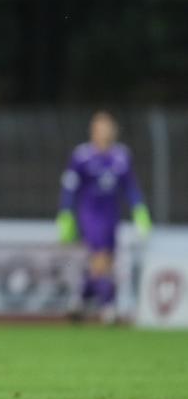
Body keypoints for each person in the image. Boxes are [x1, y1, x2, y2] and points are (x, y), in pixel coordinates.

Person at [57, 111, 152, 323]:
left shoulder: (121, 155)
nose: (104, 132)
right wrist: (65, 213)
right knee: (100, 257)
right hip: (89, 212)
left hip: (111, 214)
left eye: (108, 128)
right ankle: (108, 305)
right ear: (93, 131)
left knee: (107, 260)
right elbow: (70, 186)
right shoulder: (81, 155)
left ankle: (79, 300)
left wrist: (139, 211)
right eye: (100, 128)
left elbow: (130, 187)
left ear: (114, 131)